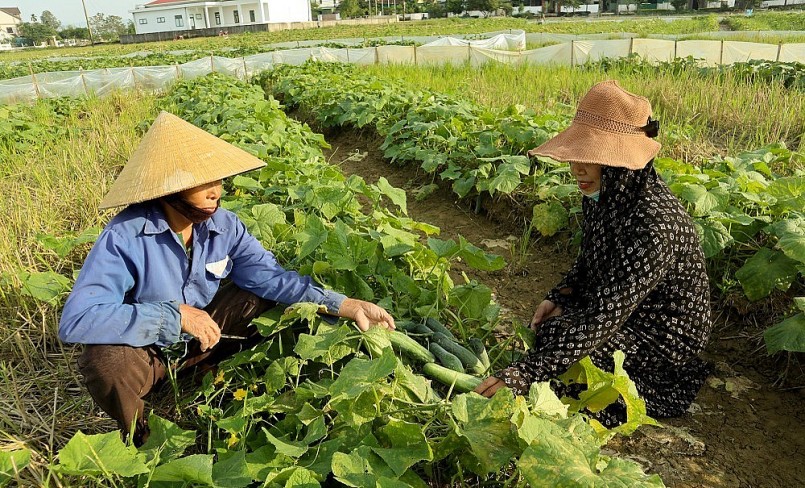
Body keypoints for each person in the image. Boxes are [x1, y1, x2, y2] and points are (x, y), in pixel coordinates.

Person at [59, 111, 395, 445]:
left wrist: (345, 305)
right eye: (203, 182)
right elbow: (78, 319)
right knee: (105, 361)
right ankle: (143, 434)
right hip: (149, 354)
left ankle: (214, 371)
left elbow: (272, 278)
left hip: (208, 338)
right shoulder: (125, 235)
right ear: (168, 188)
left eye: (218, 180)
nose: (216, 192)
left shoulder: (225, 225)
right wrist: (173, 314)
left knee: (262, 298)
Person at [474, 80, 712, 426]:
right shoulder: (607, 195)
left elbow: (605, 314)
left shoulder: (655, 226)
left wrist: (522, 374)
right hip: (625, 307)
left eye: (591, 157)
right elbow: (589, 259)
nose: (577, 168)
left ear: (619, 164)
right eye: (578, 155)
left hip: (663, 334)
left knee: (566, 344)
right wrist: (560, 294)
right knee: (555, 326)